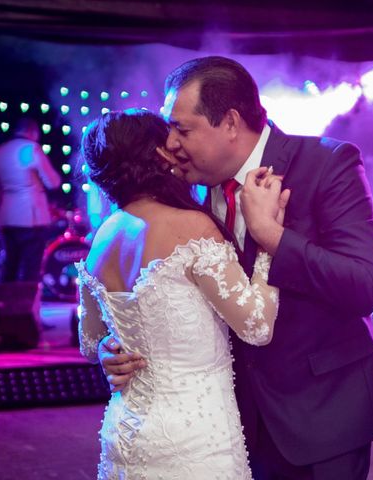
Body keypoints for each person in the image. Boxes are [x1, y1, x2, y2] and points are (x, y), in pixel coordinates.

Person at [100, 56, 373, 479]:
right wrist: (119, 344)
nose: (171, 144)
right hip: (232, 422)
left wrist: (270, 235)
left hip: (325, 411)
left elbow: (364, 286)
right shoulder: (187, 192)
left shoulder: (327, 163)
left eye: (182, 129)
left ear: (231, 122)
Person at [76, 108, 289, 478]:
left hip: (126, 431)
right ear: (158, 154)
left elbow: (89, 341)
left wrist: (108, 348)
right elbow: (256, 326)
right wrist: (268, 240)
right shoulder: (191, 227)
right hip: (194, 437)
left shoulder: (104, 237)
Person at [0, 117, 61, 282]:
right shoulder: (32, 149)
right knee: (31, 268)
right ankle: (27, 307)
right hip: (30, 217)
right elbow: (53, 182)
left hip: (7, 216)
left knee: (10, 266)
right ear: (33, 132)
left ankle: (7, 306)